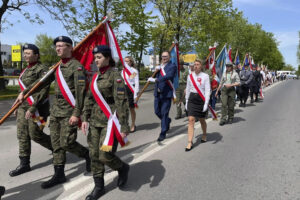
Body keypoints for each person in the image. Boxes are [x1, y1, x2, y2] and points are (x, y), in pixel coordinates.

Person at [17, 36, 91, 188]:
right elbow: (40, 83)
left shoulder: (76, 67)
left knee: (67, 142)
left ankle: (87, 154)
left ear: (70, 48)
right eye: (56, 46)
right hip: (56, 111)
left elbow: (80, 93)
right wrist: (24, 91)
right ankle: (59, 174)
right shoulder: (56, 67)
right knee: (57, 144)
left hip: (69, 111)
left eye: (61, 46)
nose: (57, 48)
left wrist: (77, 114)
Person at [81, 45, 130, 200]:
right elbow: (89, 99)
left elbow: (121, 102)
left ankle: (122, 168)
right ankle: (99, 186)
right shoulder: (95, 77)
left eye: (99, 57)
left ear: (108, 58)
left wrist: (124, 125)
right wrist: (84, 118)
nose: (96, 60)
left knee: (105, 155)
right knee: (94, 154)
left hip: (110, 121)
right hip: (95, 121)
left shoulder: (115, 76)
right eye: (95, 58)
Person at [10, 44, 52, 177]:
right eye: (25, 53)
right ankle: (24, 164)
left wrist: (33, 107)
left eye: (28, 53)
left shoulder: (42, 69)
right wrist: (16, 106)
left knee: (36, 134)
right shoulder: (25, 70)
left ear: (36, 55)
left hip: (38, 108)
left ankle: (57, 148)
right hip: (23, 108)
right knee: (22, 134)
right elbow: (21, 92)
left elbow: (44, 89)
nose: (25, 55)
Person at [147, 51, 177, 142]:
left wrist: (156, 79)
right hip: (157, 93)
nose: (164, 57)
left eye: (166, 56)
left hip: (166, 93)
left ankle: (163, 132)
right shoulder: (159, 67)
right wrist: (155, 71)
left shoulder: (172, 66)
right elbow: (155, 75)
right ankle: (167, 121)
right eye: (163, 56)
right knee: (157, 111)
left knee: (164, 113)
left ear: (169, 57)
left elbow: (169, 76)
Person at [185, 59, 210, 151]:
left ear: (201, 66)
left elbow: (207, 90)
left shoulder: (205, 76)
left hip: (201, 99)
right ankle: (189, 142)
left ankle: (204, 134)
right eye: (194, 64)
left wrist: (206, 103)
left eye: (197, 64)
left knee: (201, 119)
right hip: (192, 98)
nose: (195, 66)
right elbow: (187, 89)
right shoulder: (190, 76)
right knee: (191, 120)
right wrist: (187, 100)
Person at [121, 56, 139, 132]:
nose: (126, 63)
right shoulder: (122, 71)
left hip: (131, 90)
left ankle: (133, 124)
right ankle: (125, 125)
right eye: (125, 61)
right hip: (123, 90)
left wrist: (135, 95)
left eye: (128, 61)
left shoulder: (134, 71)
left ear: (131, 62)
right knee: (124, 109)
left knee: (131, 108)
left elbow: (136, 83)